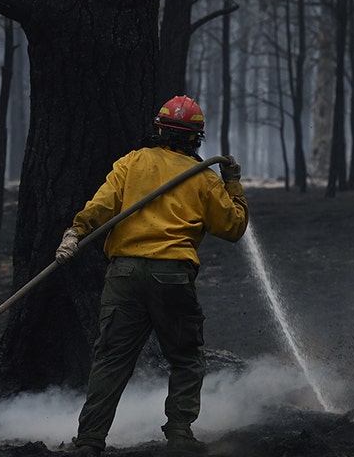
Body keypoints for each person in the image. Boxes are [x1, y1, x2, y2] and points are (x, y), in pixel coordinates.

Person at [55, 95, 249, 456]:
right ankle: (179, 435)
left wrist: (76, 232)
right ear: (197, 138)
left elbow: (101, 206)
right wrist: (233, 184)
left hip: (124, 275)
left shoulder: (131, 163)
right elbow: (234, 227)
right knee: (186, 358)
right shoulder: (205, 180)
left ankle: (89, 442)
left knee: (111, 359)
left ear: (158, 130)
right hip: (172, 277)